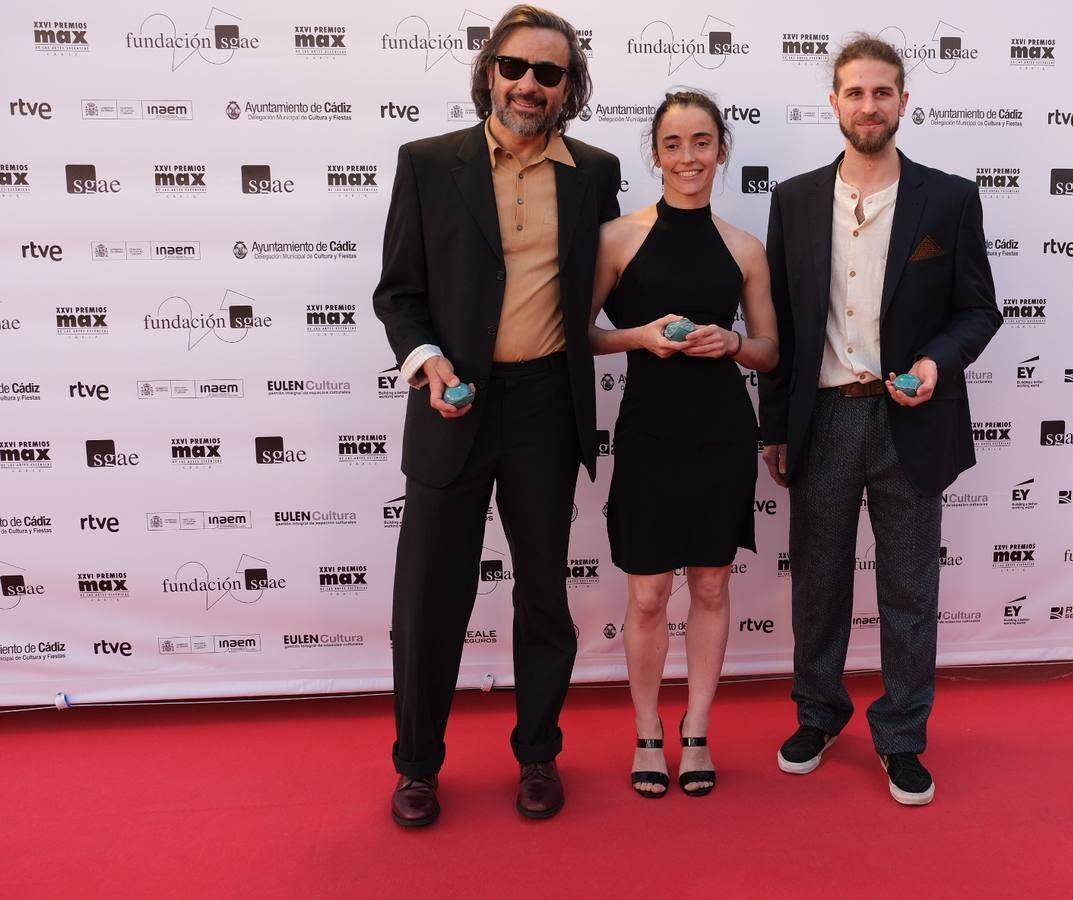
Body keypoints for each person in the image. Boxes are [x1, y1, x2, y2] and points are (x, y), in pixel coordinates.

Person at [372, 4, 621, 827]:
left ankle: (539, 754)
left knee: (543, 592)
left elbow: (609, 282)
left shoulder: (594, 172)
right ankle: (416, 767)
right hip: (452, 404)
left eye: (549, 73)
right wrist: (425, 360)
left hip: (546, 404)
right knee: (429, 595)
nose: (529, 85)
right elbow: (399, 296)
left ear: (568, 87)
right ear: (489, 71)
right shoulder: (427, 163)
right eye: (515, 67)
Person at [758, 36, 1001, 805]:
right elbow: (784, 329)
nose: (869, 105)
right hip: (822, 419)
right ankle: (819, 713)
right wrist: (775, 428)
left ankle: (901, 735)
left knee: (909, 590)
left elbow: (977, 310)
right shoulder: (793, 200)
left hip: (911, 423)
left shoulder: (949, 198)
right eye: (855, 92)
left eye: (882, 92)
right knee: (818, 588)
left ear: (903, 103)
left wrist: (934, 363)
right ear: (834, 103)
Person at [588, 91, 778, 798]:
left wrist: (731, 342)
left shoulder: (743, 247)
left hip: (722, 432)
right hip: (648, 432)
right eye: (673, 144)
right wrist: (637, 336)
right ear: (657, 154)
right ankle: (646, 731)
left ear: (721, 150)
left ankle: (696, 729)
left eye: (702, 142)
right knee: (645, 595)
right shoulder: (617, 238)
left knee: (711, 583)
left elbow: (769, 349)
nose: (689, 157)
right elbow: (577, 333)